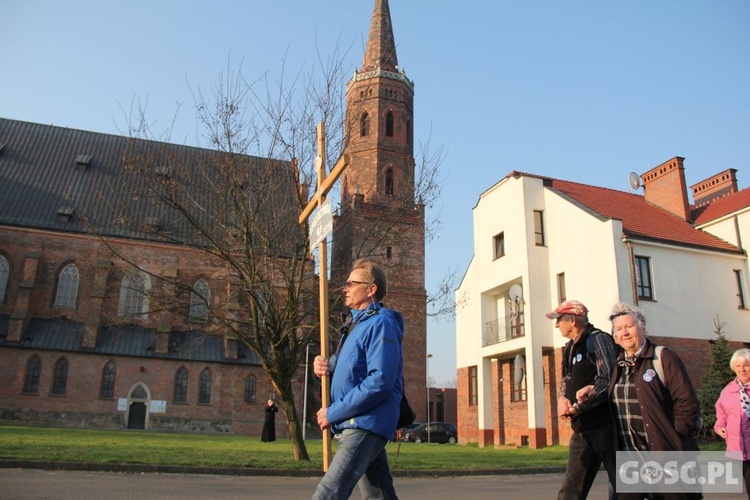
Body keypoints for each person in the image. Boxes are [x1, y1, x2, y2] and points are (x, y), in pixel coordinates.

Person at [312, 258, 404, 500]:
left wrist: (333, 412)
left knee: (327, 494)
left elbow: (379, 382)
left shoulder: (381, 323)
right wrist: (324, 365)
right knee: (379, 496)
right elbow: (348, 367)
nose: (345, 288)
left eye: (352, 283)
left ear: (371, 289)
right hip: (358, 422)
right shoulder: (354, 326)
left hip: (364, 422)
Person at [607, 302, 701, 500]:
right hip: (631, 457)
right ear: (614, 336)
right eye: (618, 329)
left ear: (643, 328)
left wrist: (677, 435)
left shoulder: (662, 357)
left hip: (665, 453)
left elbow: (686, 399)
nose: (624, 332)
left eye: (629, 326)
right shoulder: (618, 365)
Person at [547, 299, 619, 499]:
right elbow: (566, 380)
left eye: (559, 319)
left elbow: (608, 379)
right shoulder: (570, 347)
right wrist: (562, 398)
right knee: (571, 489)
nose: (556, 325)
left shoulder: (597, 340)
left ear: (572, 319)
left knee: (623, 486)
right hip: (582, 429)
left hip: (606, 427)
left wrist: (580, 406)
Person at [714, 348, 750, 497]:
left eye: (746, 365)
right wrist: (720, 426)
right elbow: (721, 413)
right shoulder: (727, 391)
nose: (742, 369)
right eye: (738, 366)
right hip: (738, 448)